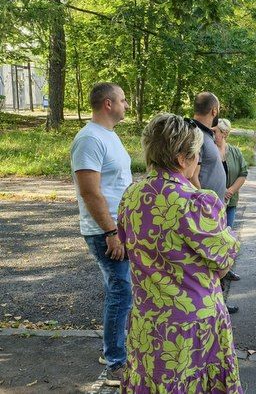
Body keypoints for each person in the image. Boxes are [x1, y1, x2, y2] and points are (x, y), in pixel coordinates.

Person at [117, 113, 243, 393]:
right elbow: (222, 266)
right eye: (197, 154)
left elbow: (130, 251)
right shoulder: (198, 202)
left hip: (147, 325)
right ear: (181, 158)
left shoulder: (131, 196)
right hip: (192, 328)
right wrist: (232, 236)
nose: (199, 160)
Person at [70, 82, 132, 386]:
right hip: (105, 230)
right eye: (122, 100)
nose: (127, 105)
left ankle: (114, 349)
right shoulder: (89, 139)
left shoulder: (108, 135)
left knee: (120, 290)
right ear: (108, 104)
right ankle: (115, 363)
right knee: (121, 291)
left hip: (119, 227)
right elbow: (90, 192)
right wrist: (111, 231)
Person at [189, 92, 240, 312]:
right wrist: (205, 203)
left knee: (214, 260)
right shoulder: (195, 134)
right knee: (209, 260)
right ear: (214, 111)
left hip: (213, 207)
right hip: (204, 211)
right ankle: (212, 306)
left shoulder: (204, 133)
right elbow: (192, 174)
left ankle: (216, 303)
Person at [213, 118, 248, 229]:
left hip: (230, 201)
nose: (212, 134)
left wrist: (230, 191)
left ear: (224, 133)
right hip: (212, 202)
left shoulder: (235, 152)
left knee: (228, 234)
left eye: (215, 131)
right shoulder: (209, 151)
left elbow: (243, 173)